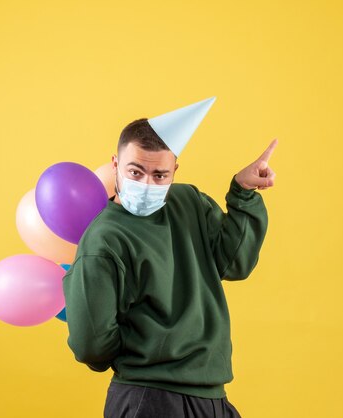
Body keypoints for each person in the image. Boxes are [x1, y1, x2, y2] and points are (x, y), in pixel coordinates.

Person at [63, 99, 277, 418]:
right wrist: (145, 351)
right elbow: (91, 343)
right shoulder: (104, 239)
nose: (147, 183)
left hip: (212, 394)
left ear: (174, 171)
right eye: (136, 171)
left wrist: (243, 193)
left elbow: (234, 262)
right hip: (149, 398)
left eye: (160, 175)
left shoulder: (187, 202)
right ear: (115, 165)